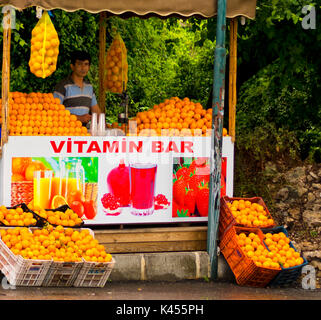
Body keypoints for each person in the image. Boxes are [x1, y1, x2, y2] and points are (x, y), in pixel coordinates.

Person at [53, 50, 102, 126]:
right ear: (72, 66)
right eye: (79, 64)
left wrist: (103, 125)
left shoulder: (89, 87)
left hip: (84, 132)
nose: (83, 68)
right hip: (66, 131)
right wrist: (78, 118)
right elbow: (54, 112)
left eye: (86, 64)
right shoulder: (62, 86)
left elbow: (96, 111)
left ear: (89, 67)